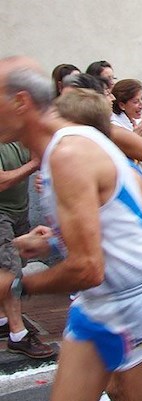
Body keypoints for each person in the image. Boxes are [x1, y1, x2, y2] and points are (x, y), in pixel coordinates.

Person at [0, 56, 142, 401]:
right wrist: (56, 240)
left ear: (21, 102)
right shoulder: (75, 139)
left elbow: (87, 268)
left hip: (136, 306)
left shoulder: (69, 154)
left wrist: (18, 285)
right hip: (96, 307)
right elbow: (127, 196)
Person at [0, 142, 54, 359]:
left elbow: (37, 155)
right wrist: (34, 164)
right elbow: (2, 181)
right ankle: (18, 334)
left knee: (11, 265)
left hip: (18, 210)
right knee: (10, 271)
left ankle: (3, 320)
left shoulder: (13, 137)